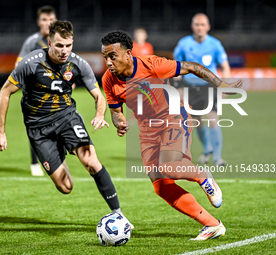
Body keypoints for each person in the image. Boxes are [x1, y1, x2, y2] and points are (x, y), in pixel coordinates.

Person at [101, 30, 242, 240]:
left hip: (174, 117)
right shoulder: (108, 80)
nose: (108, 62)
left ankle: (204, 177)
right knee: (161, 185)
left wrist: (221, 85)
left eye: (112, 56)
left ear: (128, 54)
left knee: (169, 166)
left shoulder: (152, 64)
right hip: (147, 131)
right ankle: (212, 225)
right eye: (105, 57)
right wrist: (119, 122)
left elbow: (192, 67)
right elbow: (115, 110)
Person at [0, 21, 133, 225]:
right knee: (65, 187)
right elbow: (5, 92)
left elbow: (98, 96)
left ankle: (119, 214)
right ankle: (60, 148)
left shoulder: (78, 64)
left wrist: (100, 114)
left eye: (68, 45)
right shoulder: (31, 63)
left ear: (72, 42)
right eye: (59, 45)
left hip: (66, 118)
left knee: (91, 161)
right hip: (38, 128)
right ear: (49, 43)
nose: (64, 51)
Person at [173, 13, 231, 166]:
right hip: (190, 88)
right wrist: (178, 88)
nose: (200, 28)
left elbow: (225, 66)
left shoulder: (215, 44)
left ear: (208, 27)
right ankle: (207, 150)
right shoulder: (183, 44)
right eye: (197, 24)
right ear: (193, 26)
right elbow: (177, 68)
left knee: (213, 120)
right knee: (197, 122)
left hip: (210, 86)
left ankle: (218, 158)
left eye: (202, 25)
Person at [15, 5, 57, 176]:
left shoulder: (59, 41)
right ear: (39, 22)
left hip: (55, 93)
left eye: (52, 19)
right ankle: (35, 162)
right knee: (37, 128)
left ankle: (51, 159)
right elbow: (19, 65)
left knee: (55, 127)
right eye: (45, 19)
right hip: (35, 93)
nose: (48, 23)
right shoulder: (32, 42)